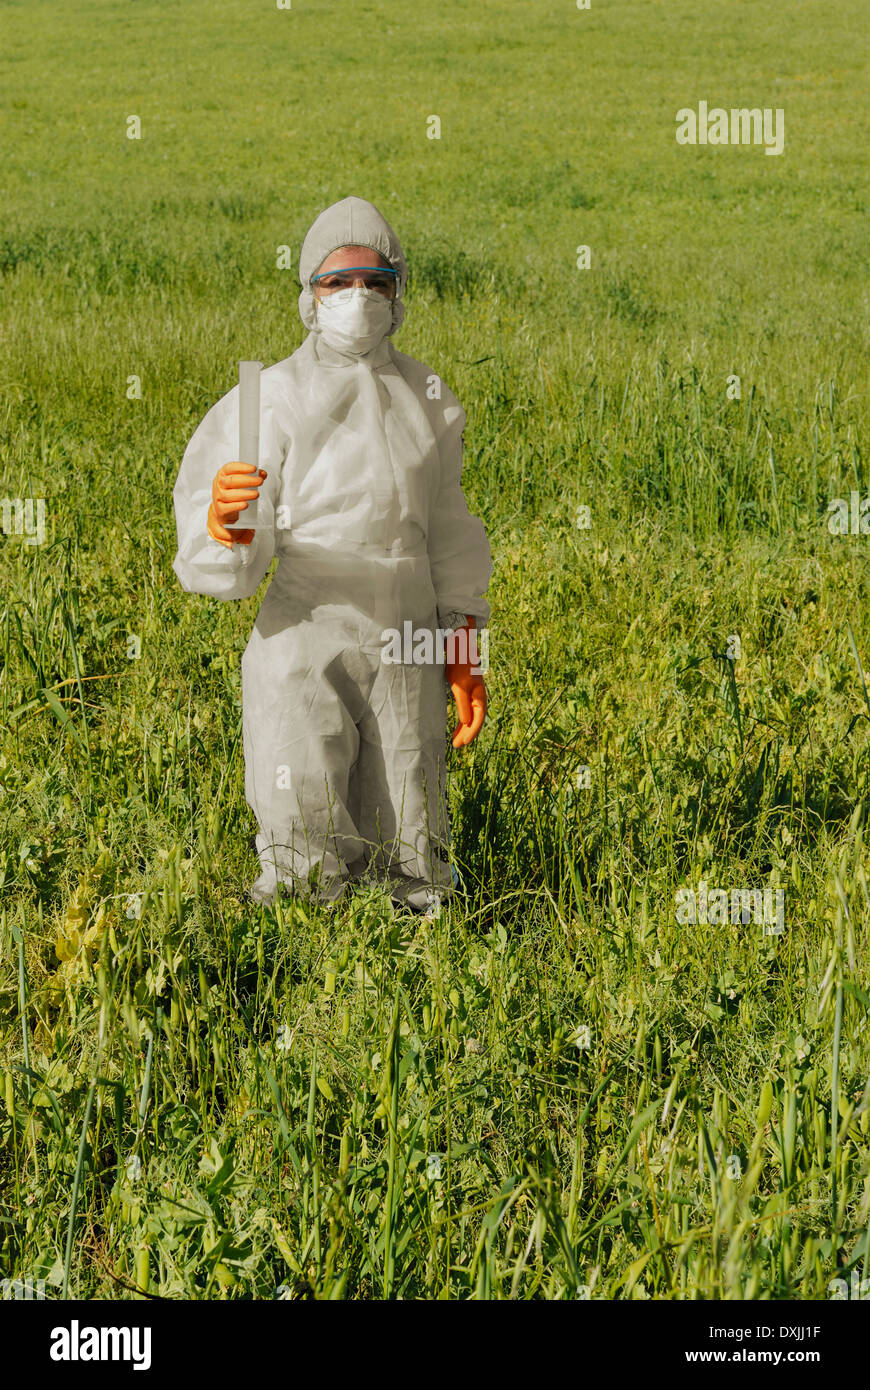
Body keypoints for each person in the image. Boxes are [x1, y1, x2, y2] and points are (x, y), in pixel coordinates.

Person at [172, 196, 491, 911]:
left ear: (398, 293)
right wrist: (224, 526)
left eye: (376, 281)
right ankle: (300, 943)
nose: (358, 298)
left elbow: (451, 530)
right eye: (338, 282)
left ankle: (415, 955)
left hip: (408, 626)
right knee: (299, 798)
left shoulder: (430, 399)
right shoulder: (267, 397)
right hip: (305, 620)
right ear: (309, 296)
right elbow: (224, 546)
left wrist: (467, 644)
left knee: (411, 811)